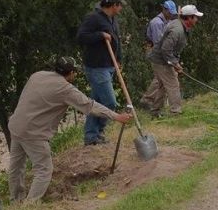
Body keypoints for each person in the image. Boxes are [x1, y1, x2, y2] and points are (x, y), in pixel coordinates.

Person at [8, 57, 132, 202]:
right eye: (75, 72)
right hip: (34, 134)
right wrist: (116, 116)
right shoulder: (65, 89)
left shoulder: (37, 75)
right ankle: (29, 205)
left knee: (16, 168)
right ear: (71, 73)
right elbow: (90, 106)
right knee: (44, 170)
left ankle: (16, 200)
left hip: (16, 126)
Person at [76, 0, 126, 145]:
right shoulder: (94, 18)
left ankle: (92, 136)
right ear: (113, 5)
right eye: (120, 5)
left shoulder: (112, 19)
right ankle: (98, 132)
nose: (121, 8)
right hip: (97, 67)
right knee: (109, 102)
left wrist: (118, 60)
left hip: (109, 65)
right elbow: (81, 37)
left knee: (96, 102)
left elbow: (116, 40)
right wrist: (100, 35)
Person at [141, 4, 203, 117]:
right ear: (189, 18)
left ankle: (155, 111)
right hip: (161, 61)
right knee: (173, 85)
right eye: (195, 17)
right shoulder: (177, 30)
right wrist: (175, 63)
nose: (197, 19)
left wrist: (175, 62)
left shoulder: (180, 25)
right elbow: (165, 49)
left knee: (162, 86)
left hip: (161, 59)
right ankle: (176, 112)